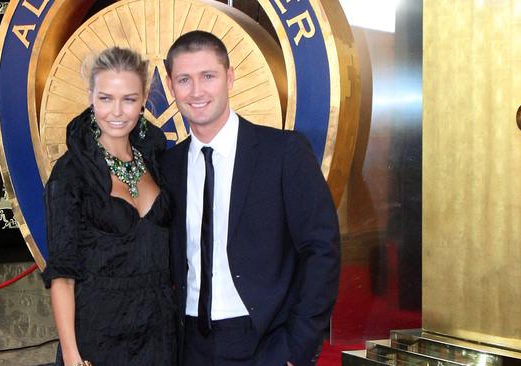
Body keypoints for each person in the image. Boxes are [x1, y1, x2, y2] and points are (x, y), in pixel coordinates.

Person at [161, 30, 341, 366]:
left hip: (265, 342)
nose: (196, 91)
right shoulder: (168, 166)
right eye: (184, 79)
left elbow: (322, 250)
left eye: (208, 76)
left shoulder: (284, 153)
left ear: (230, 78)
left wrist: (297, 346)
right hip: (187, 346)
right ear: (171, 86)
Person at [41, 47, 176, 366]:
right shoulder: (71, 173)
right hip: (98, 337)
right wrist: (72, 354)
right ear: (90, 96)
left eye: (128, 99)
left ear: (143, 98)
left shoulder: (156, 160)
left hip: (159, 335)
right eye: (106, 98)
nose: (117, 111)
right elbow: (62, 274)